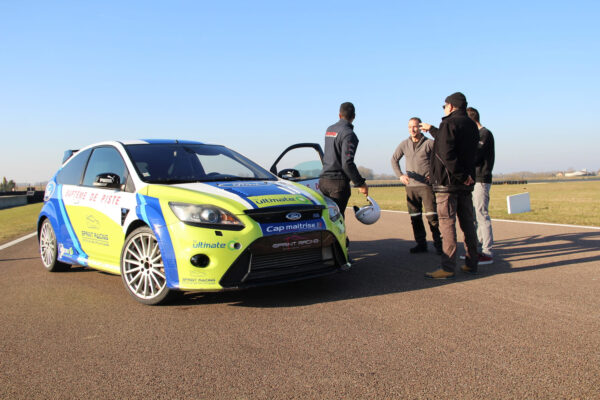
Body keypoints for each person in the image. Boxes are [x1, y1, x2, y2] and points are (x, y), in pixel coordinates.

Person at [419, 92, 480, 279]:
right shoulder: (471, 124)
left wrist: (460, 176)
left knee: (447, 223)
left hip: (448, 184)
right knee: (468, 224)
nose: (444, 109)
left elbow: (447, 154)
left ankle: (447, 267)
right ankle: (472, 262)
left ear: (451, 106)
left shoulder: (449, 123)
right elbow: (456, 145)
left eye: (444, 106)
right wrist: (467, 177)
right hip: (466, 183)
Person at [391, 117, 442, 254]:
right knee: (415, 217)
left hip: (426, 187)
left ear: (420, 127)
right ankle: (421, 244)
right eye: (409, 127)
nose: (412, 130)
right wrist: (400, 175)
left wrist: (434, 174)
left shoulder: (429, 143)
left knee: (432, 217)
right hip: (411, 187)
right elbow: (394, 160)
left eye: (414, 127)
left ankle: (439, 245)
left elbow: (441, 158)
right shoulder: (404, 144)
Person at [319, 102, 368, 219]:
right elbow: (347, 163)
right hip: (338, 184)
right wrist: (360, 183)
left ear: (339, 115)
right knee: (338, 220)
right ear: (354, 116)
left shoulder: (329, 130)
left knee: (328, 219)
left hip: (323, 181)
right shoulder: (349, 134)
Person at [467, 107, 495, 265]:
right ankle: (476, 249)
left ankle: (487, 251)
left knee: (481, 214)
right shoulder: (476, 136)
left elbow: (475, 156)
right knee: (474, 215)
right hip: (473, 180)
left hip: (481, 179)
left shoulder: (485, 134)